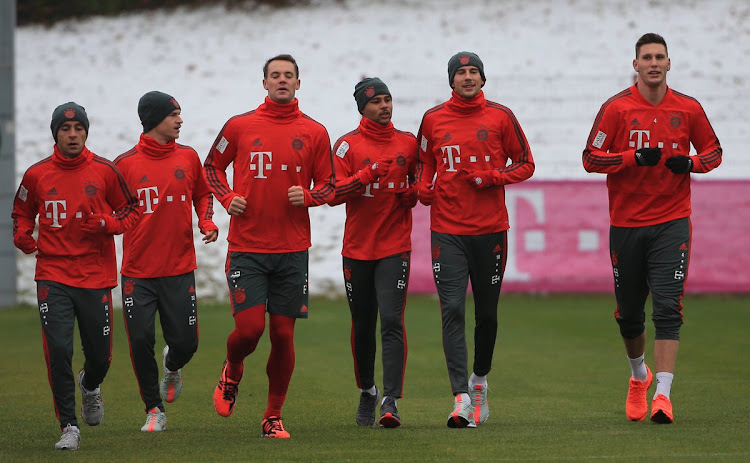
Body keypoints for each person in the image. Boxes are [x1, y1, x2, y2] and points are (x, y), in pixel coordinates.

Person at [582, 33, 722, 424]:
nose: (654, 63)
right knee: (629, 315)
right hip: (626, 224)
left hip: (672, 223)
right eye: (647, 57)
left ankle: (663, 395)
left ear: (669, 63)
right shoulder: (617, 109)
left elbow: (713, 152)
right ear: (636, 65)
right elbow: (591, 157)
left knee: (667, 308)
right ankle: (638, 377)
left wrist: (690, 164)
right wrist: (630, 157)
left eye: (660, 56)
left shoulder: (689, 108)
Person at [203, 54, 335, 438]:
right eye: (274, 75)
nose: (281, 81)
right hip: (247, 246)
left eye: (288, 76)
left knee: (282, 335)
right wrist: (227, 198)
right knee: (248, 332)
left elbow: (329, 185)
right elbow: (211, 167)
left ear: (298, 83)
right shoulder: (240, 126)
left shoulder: (315, 131)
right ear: (264, 83)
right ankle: (232, 369)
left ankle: (272, 415)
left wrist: (308, 196)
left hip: (292, 250)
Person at [415, 52, 535, 428]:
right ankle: (461, 398)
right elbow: (424, 163)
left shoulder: (501, 116)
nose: (467, 77)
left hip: (490, 230)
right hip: (447, 231)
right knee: (451, 310)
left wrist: (492, 177)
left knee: (486, 314)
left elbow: (526, 164)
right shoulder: (433, 119)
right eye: (460, 73)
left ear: (483, 79)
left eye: (473, 72)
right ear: (451, 80)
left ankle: (479, 382)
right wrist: (422, 187)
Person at [11, 102, 140, 450]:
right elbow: (21, 212)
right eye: (66, 130)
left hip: (95, 277)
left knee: (101, 357)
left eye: (78, 129)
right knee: (58, 350)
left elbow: (132, 211)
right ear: (56, 134)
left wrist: (107, 224)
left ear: (85, 132)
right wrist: (22, 235)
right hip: (52, 275)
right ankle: (68, 426)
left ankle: (90, 384)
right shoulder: (36, 175)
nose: (72, 135)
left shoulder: (105, 171)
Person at [114, 91, 219, 432]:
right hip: (137, 274)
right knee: (141, 340)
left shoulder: (188, 157)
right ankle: (153, 409)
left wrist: (205, 221)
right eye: (173, 114)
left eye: (180, 114)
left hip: (178, 269)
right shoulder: (124, 165)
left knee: (187, 343)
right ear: (153, 120)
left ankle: (172, 366)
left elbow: (202, 193)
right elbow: (107, 211)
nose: (180, 120)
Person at [329, 77, 418, 428]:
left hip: (395, 247)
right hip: (357, 249)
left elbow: (420, 182)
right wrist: (365, 175)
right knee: (363, 324)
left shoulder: (409, 143)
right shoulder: (346, 146)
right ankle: (367, 390)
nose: (385, 105)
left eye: (388, 99)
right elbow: (334, 193)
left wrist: (414, 194)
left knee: (393, 320)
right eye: (377, 101)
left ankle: (391, 401)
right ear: (362, 107)